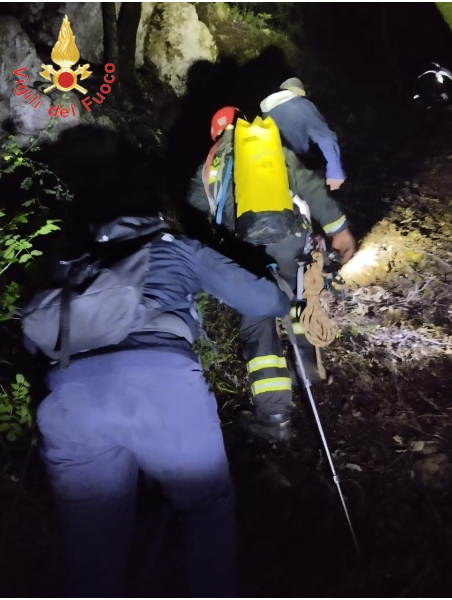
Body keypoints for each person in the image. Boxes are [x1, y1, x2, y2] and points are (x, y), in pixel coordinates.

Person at [28, 126, 292, 596]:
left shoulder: (73, 259)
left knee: (92, 548)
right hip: (160, 385)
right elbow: (266, 303)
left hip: (69, 398)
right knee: (205, 505)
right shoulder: (177, 249)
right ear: (150, 207)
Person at [186, 107, 356, 442]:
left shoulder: (210, 165)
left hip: (243, 249)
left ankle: (275, 415)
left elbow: (195, 214)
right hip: (290, 240)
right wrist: (339, 229)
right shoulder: (273, 151)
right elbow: (311, 188)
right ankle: (308, 372)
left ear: (217, 133)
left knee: (257, 322)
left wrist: (215, 259)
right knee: (298, 303)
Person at [260, 77, 346, 191]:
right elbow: (325, 138)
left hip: (269, 163)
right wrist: (335, 173)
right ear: (299, 92)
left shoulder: (266, 111)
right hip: (294, 163)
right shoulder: (302, 105)